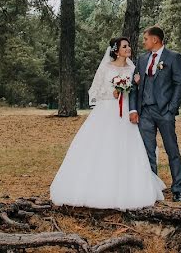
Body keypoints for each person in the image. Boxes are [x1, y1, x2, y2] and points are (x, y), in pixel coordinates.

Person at [49, 37, 165, 209]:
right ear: (116, 51)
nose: (128, 48)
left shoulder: (133, 68)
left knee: (127, 146)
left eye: (129, 46)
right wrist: (112, 92)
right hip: (107, 110)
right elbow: (95, 90)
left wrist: (136, 85)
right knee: (102, 145)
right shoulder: (106, 67)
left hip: (126, 111)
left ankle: (130, 187)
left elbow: (138, 90)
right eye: (124, 46)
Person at [129, 26, 181, 202]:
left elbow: (180, 83)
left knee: (171, 149)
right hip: (145, 111)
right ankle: (151, 188)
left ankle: (177, 188)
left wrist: (171, 108)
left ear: (155, 39)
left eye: (145, 38)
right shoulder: (142, 59)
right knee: (148, 151)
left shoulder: (173, 57)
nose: (143, 41)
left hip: (164, 112)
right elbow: (134, 85)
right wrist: (134, 109)